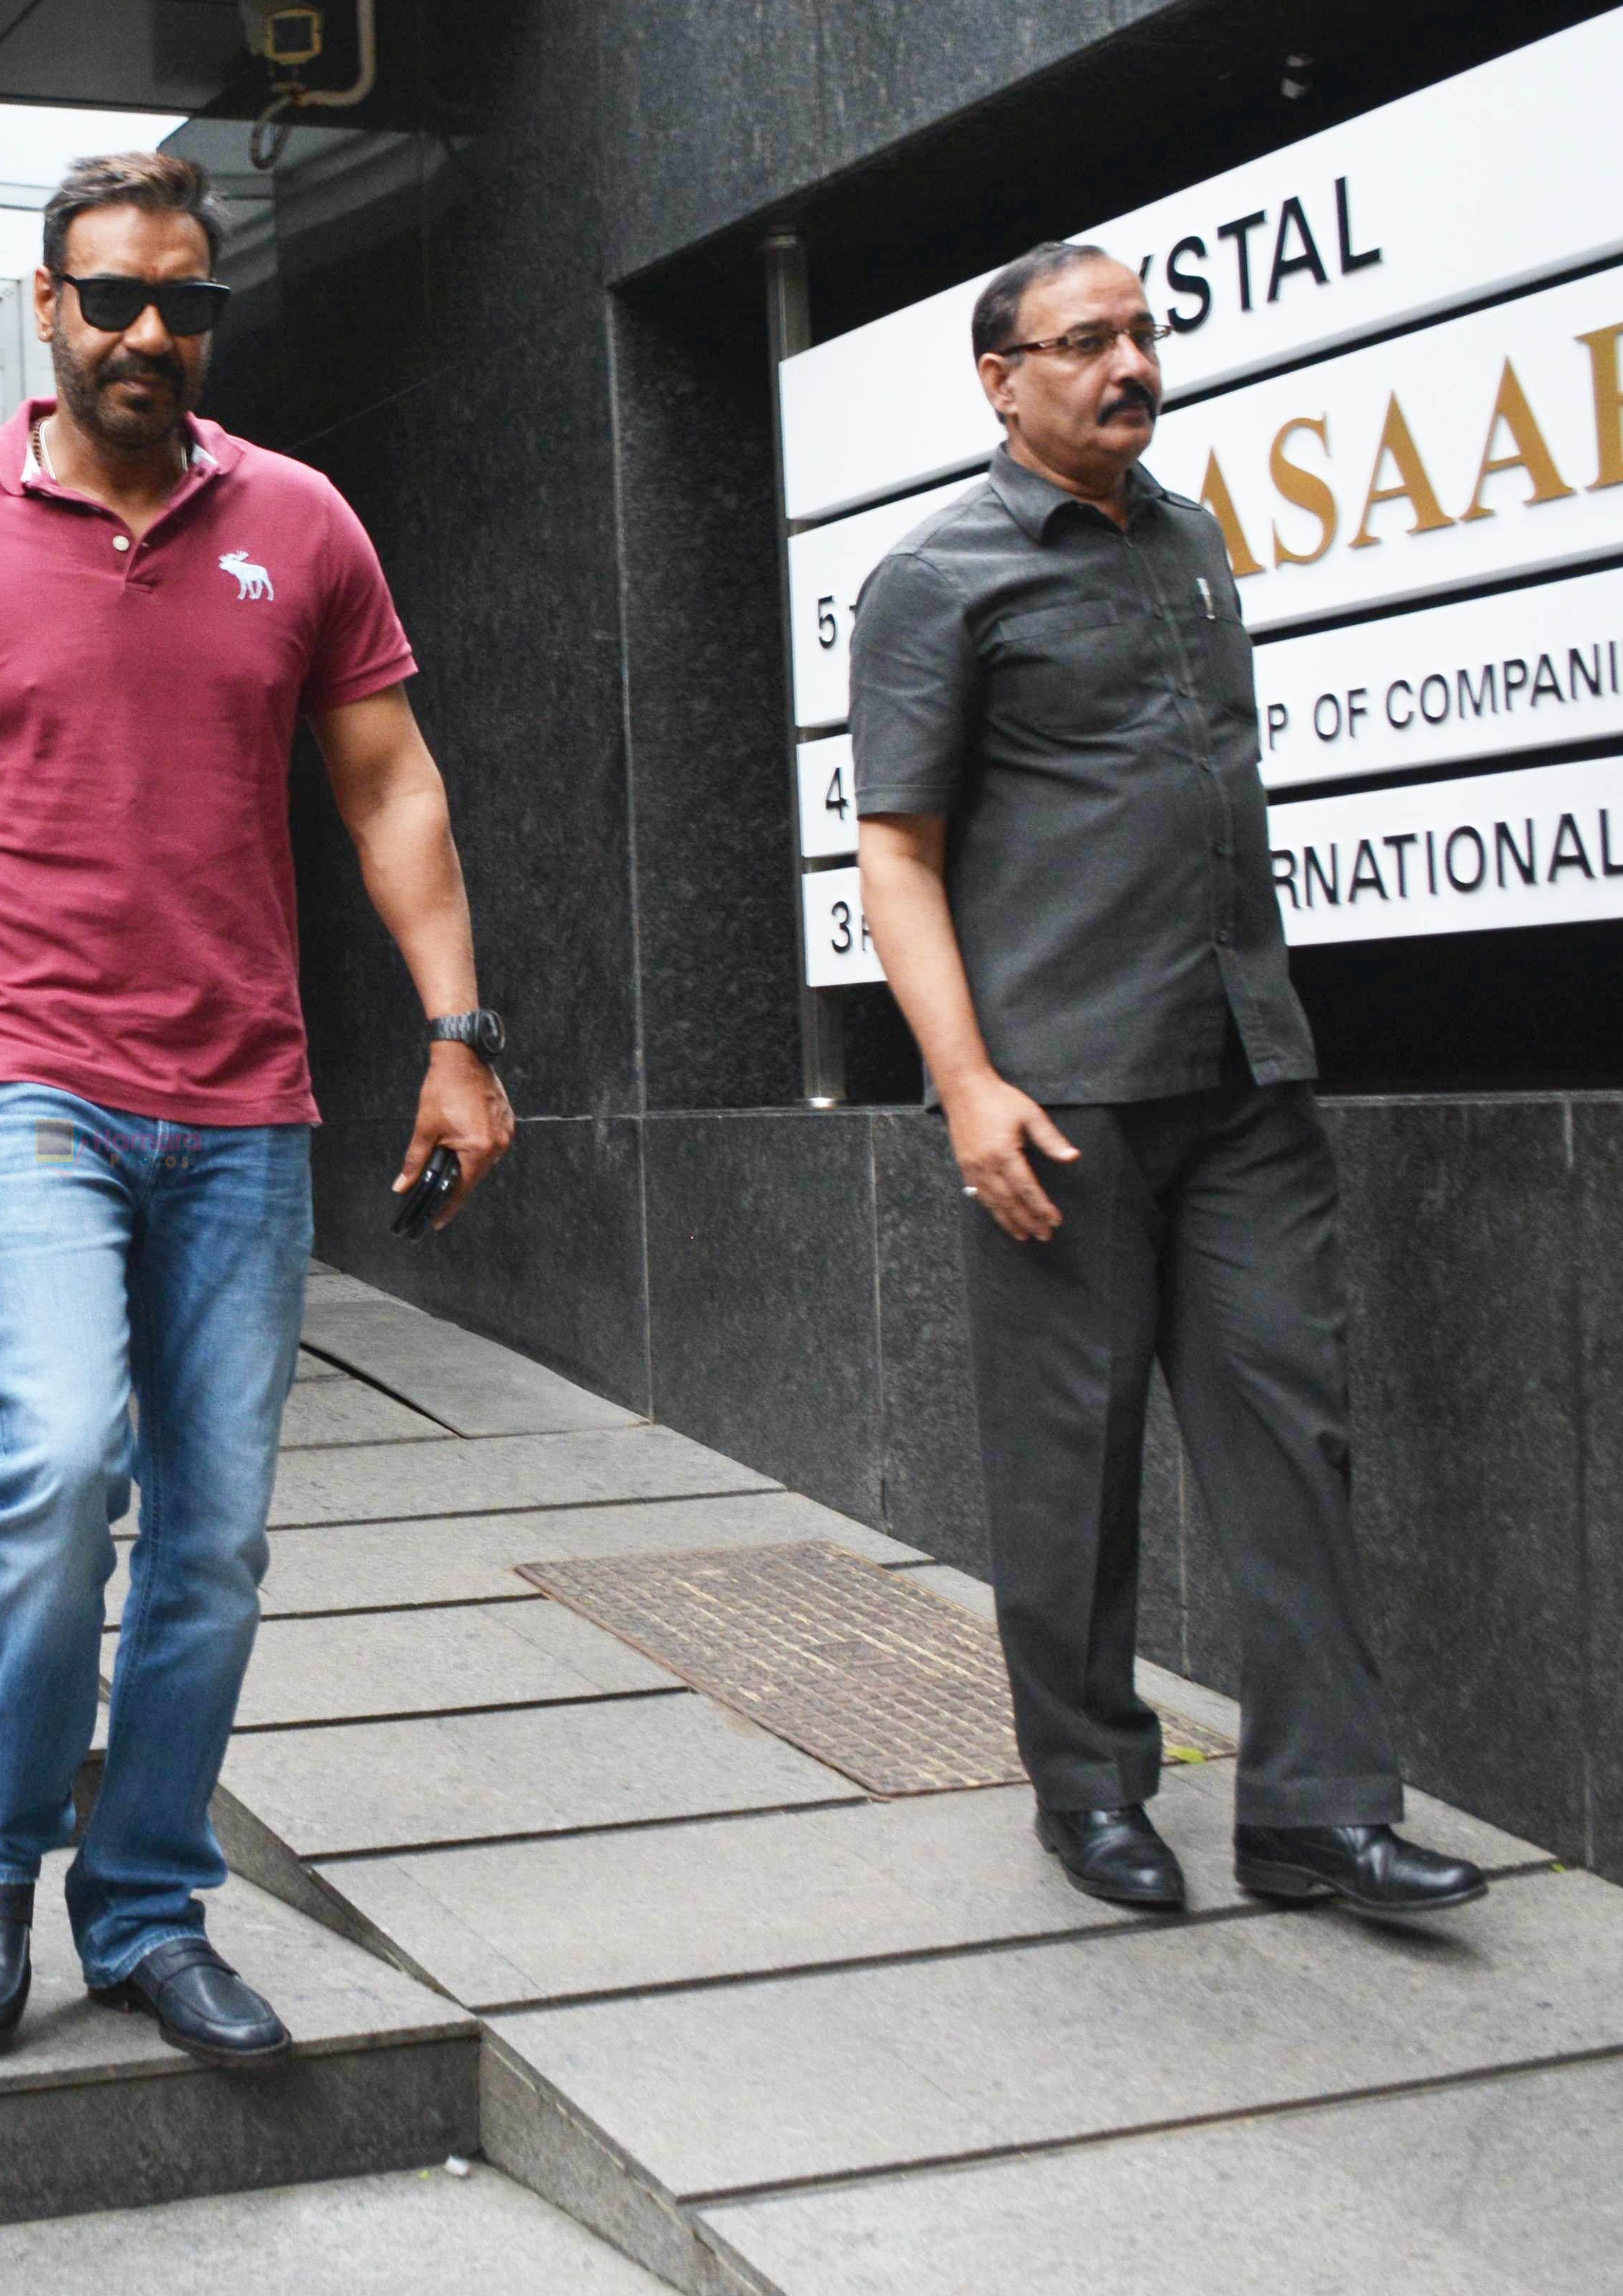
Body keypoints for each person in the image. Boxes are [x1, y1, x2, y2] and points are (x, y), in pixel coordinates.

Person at [0, 153, 515, 2064]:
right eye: (111, 298)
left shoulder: (303, 521)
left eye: (182, 304)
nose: (145, 334)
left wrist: (459, 1028)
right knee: (50, 1475)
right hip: (26, 1078)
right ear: (48, 307)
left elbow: (392, 786)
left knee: (215, 1534)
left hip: (247, 1103)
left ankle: (144, 1903)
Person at [850, 242, 1485, 1919]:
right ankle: (1085, 1788)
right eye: (1084, 343)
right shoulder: (940, 576)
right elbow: (895, 856)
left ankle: (1313, 1810)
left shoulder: (1189, 542)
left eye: (1139, 333)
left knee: (1294, 1428)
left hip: (1241, 1068)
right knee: (1068, 1461)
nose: (1127, 364)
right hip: (1058, 1091)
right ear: (1000, 379)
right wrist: (964, 1083)